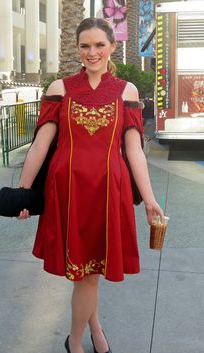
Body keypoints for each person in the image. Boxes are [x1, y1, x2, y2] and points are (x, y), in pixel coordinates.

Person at [17, 17, 164, 353]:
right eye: (85, 45)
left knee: (89, 275)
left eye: (100, 45)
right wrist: (22, 192)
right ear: (77, 49)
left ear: (112, 47)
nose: (92, 52)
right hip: (68, 191)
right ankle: (80, 342)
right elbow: (41, 144)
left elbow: (133, 151)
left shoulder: (127, 91)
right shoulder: (60, 89)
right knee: (86, 276)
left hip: (109, 193)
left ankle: (81, 337)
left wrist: (150, 198)